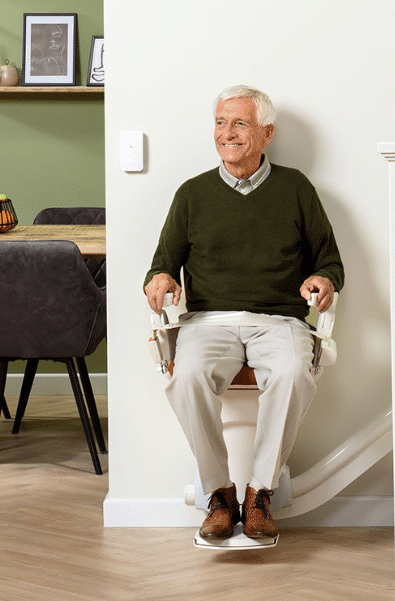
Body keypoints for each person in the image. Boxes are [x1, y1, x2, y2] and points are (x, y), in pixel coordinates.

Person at [144, 85, 344, 541]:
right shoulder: (192, 194)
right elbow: (162, 263)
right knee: (186, 374)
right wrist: (160, 280)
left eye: (240, 123)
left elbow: (329, 261)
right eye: (220, 122)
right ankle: (219, 494)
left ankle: (259, 494)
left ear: (266, 133)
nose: (226, 133)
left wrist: (325, 281)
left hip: (280, 321)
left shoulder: (295, 189)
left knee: (295, 371)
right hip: (209, 322)